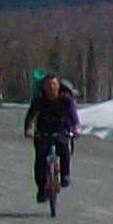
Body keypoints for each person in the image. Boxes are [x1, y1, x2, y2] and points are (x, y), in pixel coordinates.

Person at [23, 73, 82, 202]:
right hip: (43, 133)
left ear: (58, 86)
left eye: (54, 84)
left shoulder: (66, 100)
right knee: (40, 160)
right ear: (43, 87)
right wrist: (28, 129)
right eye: (48, 85)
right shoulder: (39, 101)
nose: (51, 87)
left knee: (65, 150)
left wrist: (76, 128)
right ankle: (42, 189)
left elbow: (73, 116)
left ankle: (65, 175)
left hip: (61, 131)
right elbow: (30, 116)